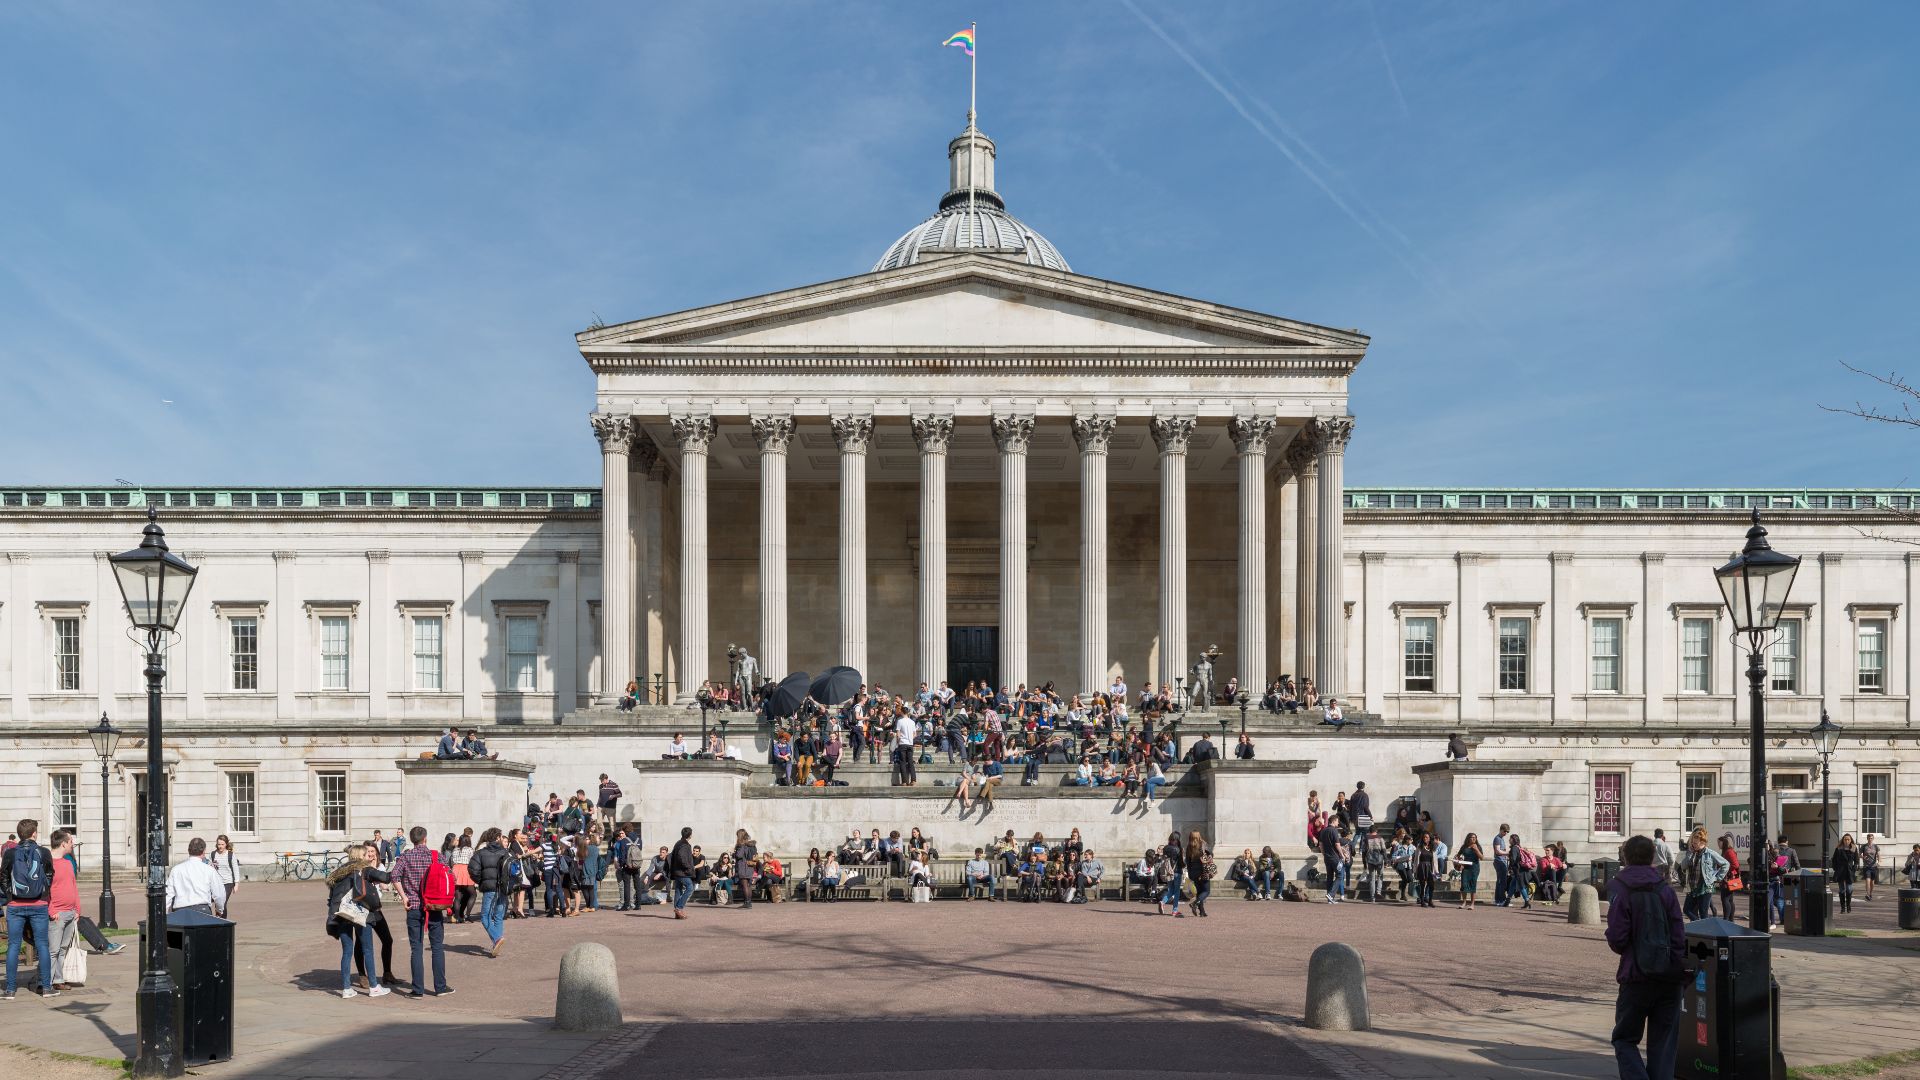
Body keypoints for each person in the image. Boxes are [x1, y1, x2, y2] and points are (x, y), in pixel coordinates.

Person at [1605, 834, 1686, 1080]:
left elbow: (1617, 939)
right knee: (1663, 1045)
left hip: (1636, 975)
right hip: (1669, 975)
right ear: (1652, 857)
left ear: (1626, 857)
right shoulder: (1665, 889)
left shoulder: (1620, 888)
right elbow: (1679, 933)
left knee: (1624, 1038)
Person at [391, 826, 452, 998]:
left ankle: (418, 990)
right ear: (425, 838)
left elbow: (394, 876)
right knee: (437, 947)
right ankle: (440, 987)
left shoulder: (406, 856)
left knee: (416, 948)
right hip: (433, 906)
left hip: (413, 906)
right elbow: (450, 876)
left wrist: (404, 897)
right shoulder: (436, 856)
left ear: (412, 840)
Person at [326, 845, 390, 999]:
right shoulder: (364, 869)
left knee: (347, 951)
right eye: (366, 854)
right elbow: (386, 878)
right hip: (360, 914)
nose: (369, 856)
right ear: (360, 856)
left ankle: (346, 989)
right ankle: (374, 987)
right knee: (368, 950)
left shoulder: (338, 873)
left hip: (342, 914)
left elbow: (331, 898)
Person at [468, 827, 509, 957]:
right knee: (498, 916)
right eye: (501, 836)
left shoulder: (480, 853)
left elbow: (473, 869)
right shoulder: (505, 852)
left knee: (485, 917)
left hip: (489, 888)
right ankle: (497, 941)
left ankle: (497, 939)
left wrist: (481, 881)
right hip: (503, 888)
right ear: (497, 838)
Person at [165, 837, 227, 917]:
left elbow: (168, 894)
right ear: (204, 851)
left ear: (188, 850)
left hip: (180, 911)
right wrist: (219, 910)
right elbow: (219, 894)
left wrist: (166, 914)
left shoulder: (176, 870)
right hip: (202, 910)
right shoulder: (209, 870)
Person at [1676, 828, 1728, 921]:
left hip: (1705, 888)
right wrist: (1689, 854)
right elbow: (1683, 866)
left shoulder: (1710, 853)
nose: (1693, 845)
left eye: (1695, 843)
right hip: (1692, 887)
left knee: (1703, 913)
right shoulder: (1691, 853)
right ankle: (1699, 925)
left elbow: (1726, 864)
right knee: (1687, 910)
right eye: (1693, 843)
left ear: (1702, 843)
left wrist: (1717, 878)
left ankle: (1704, 928)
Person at [669, 827, 696, 919]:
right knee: (690, 888)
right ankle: (679, 908)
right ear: (690, 835)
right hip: (682, 872)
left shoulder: (678, 843)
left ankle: (677, 913)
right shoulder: (685, 845)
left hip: (677, 871)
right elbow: (681, 857)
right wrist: (688, 867)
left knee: (678, 890)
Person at [1453, 832, 1485, 910]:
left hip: (1474, 867)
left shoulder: (1478, 846)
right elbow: (1458, 855)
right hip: (1465, 867)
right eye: (1472, 837)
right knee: (1464, 885)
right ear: (1468, 838)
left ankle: (1472, 904)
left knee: (1473, 884)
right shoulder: (1464, 846)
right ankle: (1464, 903)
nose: (1473, 839)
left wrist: (1476, 849)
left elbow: (1482, 858)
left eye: (1475, 837)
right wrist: (1458, 861)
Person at [1831, 833, 1860, 915]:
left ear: (1851, 840)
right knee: (1841, 890)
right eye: (1845, 839)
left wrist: (1854, 869)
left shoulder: (1854, 848)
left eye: (1848, 839)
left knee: (1849, 889)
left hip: (1849, 871)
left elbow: (1856, 860)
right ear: (1843, 840)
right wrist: (1836, 868)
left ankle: (1848, 906)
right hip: (1840, 871)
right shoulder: (1839, 848)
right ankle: (1843, 908)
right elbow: (1834, 859)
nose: (1847, 841)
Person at [1715, 834, 1742, 922]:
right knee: (1729, 899)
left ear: (1723, 842)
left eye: (1719, 842)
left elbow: (1735, 865)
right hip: (1729, 878)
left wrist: (1724, 869)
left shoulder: (1729, 852)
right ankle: (1730, 920)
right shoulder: (1726, 851)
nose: (1718, 844)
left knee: (1725, 899)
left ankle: (1726, 919)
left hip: (1729, 879)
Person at [1491, 824, 1512, 907]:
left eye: (1507, 832)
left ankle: (1499, 900)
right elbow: (1498, 851)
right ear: (1501, 830)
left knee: (1501, 881)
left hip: (1502, 861)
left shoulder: (1501, 839)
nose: (1506, 833)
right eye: (1505, 831)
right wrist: (1508, 853)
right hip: (1499, 861)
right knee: (1501, 881)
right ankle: (1501, 900)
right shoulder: (1497, 839)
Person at [1861, 834, 1881, 901]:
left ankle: (1870, 893)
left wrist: (1879, 862)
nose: (1870, 839)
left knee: (1872, 882)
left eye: (1871, 838)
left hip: (1874, 866)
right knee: (1867, 880)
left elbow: (1878, 855)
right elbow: (1859, 854)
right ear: (1867, 838)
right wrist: (1863, 857)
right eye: (1869, 838)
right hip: (1866, 866)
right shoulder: (1864, 846)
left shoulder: (1875, 846)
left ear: (1873, 839)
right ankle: (1868, 894)